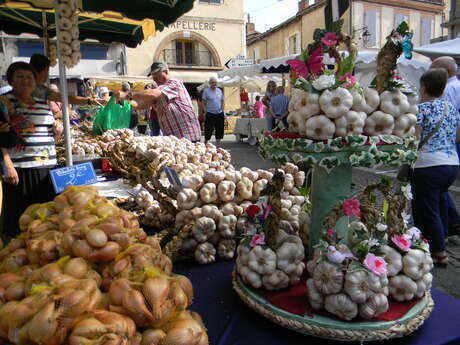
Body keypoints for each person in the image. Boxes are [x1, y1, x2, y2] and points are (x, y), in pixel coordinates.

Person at [0, 62, 61, 238]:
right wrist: (7, 164)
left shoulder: (43, 102)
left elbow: (45, 132)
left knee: (44, 219)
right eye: (20, 76)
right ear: (11, 79)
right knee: (19, 219)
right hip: (20, 168)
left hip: (47, 165)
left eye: (29, 77)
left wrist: (57, 130)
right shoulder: (4, 102)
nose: (25, 81)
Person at [411, 68, 460, 267]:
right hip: (451, 164)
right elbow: (457, 137)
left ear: (423, 88)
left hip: (428, 164)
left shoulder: (422, 110)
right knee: (440, 203)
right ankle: (442, 239)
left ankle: (438, 252)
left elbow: (415, 138)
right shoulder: (451, 109)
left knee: (427, 209)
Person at [115, 62, 201, 142]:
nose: (154, 79)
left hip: (187, 137)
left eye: (156, 75)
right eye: (153, 76)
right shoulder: (160, 92)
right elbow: (141, 104)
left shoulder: (174, 83)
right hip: (175, 139)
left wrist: (127, 95)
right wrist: (126, 100)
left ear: (166, 72)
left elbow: (153, 93)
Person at [430, 56, 460, 236]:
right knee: (443, 187)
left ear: (445, 72)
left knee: (437, 189)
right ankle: (452, 222)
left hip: (442, 146)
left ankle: (445, 228)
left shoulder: (447, 90)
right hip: (452, 145)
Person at [29, 54, 105, 106]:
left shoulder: (40, 89)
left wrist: (90, 101)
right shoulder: (33, 89)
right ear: (45, 70)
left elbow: (67, 98)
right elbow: (67, 99)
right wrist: (90, 101)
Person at [202, 76, 224, 144]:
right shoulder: (206, 91)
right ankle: (206, 141)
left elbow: (222, 101)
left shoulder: (219, 91)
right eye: (212, 82)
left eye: (215, 82)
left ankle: (218, 143)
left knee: (219, 129)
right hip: (210, 113)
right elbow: (203, 102)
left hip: (219, 113)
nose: (214, 84)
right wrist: (205, 111)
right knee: (208, 129)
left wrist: (222, 110)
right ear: (210, 83)